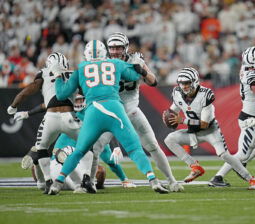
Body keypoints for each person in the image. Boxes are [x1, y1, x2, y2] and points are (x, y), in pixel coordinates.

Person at [48, 40, 168, 195]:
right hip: (114, 108)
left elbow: (62, 94)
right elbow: (133, 75)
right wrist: (139, 65)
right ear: (105, 52)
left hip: (93, 111)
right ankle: (153, 180)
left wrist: (58, 75)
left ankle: (57, 184)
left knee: (79, 151)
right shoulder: (114, 63)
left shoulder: (81, 68)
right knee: (134, 148)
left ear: (86, 54)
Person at [106, 32, 183, 192]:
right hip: (111, 112)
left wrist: (142, 71)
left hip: (131, 110)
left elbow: (153, 81)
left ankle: (171, 180)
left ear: (125, 48)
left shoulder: (135, 60)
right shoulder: (103, 64)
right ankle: (85, 181)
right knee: (93, 147)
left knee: (153, 146)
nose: (115, 52)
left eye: (118, 48)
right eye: (112, 48)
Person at [163, 67, 255, 190]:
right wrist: (170, 115)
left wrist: (182, 120)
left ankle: (252, 180)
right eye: (182, 83)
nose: (184, 86)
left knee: (224, 155)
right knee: (169, 139)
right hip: (193, 132)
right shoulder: (177, 93)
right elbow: (174, 109)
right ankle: (195, 167)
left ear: (195, 81)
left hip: (210, 131)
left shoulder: (205, 95)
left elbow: (205, 124)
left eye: (187, 83)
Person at [7, 52, 92, 194]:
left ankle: (47, 182)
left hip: (50, 117)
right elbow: (88, 92)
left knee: (41, 149)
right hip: (69, 116)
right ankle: (86, 178)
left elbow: (28, 91)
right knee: (87, 145)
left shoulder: (44, 73)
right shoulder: (73, 74)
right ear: (65, 63)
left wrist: (14, 104)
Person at [208, 46, 255, 187]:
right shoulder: (253, 77)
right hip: (252, 120)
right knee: (241, 154)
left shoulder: (248, 70)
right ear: (252, 61)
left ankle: (242, 163)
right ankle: (218, 177)